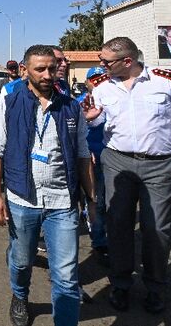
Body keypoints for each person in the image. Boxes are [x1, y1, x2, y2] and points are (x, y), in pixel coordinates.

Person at [83, 36, 171, 314]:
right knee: (119, 226)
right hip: (117, 162)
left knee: (156, 230)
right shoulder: (103, 87)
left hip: (160, 166)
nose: (101, 65)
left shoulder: (165, 82)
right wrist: (91, 117)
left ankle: (155, 287)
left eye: (105, 61)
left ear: (127, 61)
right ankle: (121, 284)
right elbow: (100, 119)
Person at [0, 44, 96, 326]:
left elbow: (83, 155)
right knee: (22, 262)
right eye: (40, 69)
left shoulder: (70, 107)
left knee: (66, 276)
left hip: (63, 203)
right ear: (25, 70)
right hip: (23, 201)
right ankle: (20, 295)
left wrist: (93, 200)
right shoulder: (9, 104)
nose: (49, 74)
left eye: (52, 68)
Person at [76, 67, 109, 264]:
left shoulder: (112, 101)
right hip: (84, 159)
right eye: (94, 79)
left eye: (101, 78)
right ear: (87, 82)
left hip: (106, 157)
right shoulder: (79, 103)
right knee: (85, 199)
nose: (97, 82)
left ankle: (99, 240)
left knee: (98, 201)